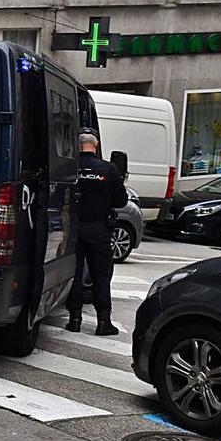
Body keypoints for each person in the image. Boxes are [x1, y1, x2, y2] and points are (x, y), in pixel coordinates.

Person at [66, 132, 127, 336]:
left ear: (77, 145)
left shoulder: (70, 166)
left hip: (73, 228)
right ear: (96, 145)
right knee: (101, 275)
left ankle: (74, 319)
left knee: (74, 273)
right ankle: (103, 322)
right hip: (98, 229)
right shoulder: (108, 169)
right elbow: (121, 201)